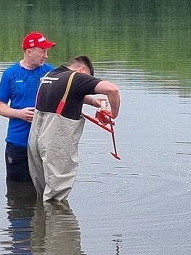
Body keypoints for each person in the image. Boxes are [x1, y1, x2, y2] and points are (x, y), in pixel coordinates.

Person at [27, 56, 121, 201]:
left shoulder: (51, 75)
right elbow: (112, 90)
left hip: (35, 139)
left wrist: (92, 101)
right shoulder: (78, 77)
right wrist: (113, 114)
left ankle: (41, 222)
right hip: (56, 140)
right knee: (56, 197)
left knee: (43, 192)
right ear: (83, 70)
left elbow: (68, 92)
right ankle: (60, 222)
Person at [0, 32, 56, 184]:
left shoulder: (52, 72)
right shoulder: (10, 74)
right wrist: (19, 113)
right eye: (42, 51)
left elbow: (70, 93)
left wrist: (93, 100)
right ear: (29, 51)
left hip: (44, 143)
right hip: (18, 143)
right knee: (17, 190)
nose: (46, 55)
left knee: (44, 189)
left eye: (47, 51)